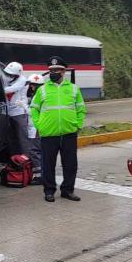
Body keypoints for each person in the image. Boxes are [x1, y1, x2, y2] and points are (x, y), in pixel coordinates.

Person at [30, 56, 87, 202]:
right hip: (49, 134)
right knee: (48, 165)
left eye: (57, 70)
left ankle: (67, 190)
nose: (54, 72)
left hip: (69, 133)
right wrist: (39, 125)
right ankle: (49, 191)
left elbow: (81, 109)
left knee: (70, 164)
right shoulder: (42, 90)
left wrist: (78, 125)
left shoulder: (74, 89)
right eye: (51, 70)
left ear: (64, 71)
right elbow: (34, 109)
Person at [2, 61, 29, 155]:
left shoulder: (22, 80)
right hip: (8, 113)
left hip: (19, 113)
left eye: (11, 74)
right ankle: (14, 160)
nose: (8, 76)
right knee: (11, 139)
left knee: (22, 139)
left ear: (17, 74)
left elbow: (9, 90)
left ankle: (26, 160)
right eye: (7, 73)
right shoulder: (8, 78)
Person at [25, 73, 45, 185]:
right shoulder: (37, 95)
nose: (30, 87)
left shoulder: (39, 96)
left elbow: (34, 112)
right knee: (38, 151)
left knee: (34, 151)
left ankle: (39, 176)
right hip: (35, 127)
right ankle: (41, 173)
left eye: (32, 85)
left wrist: (24, 107)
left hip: (37, 127)